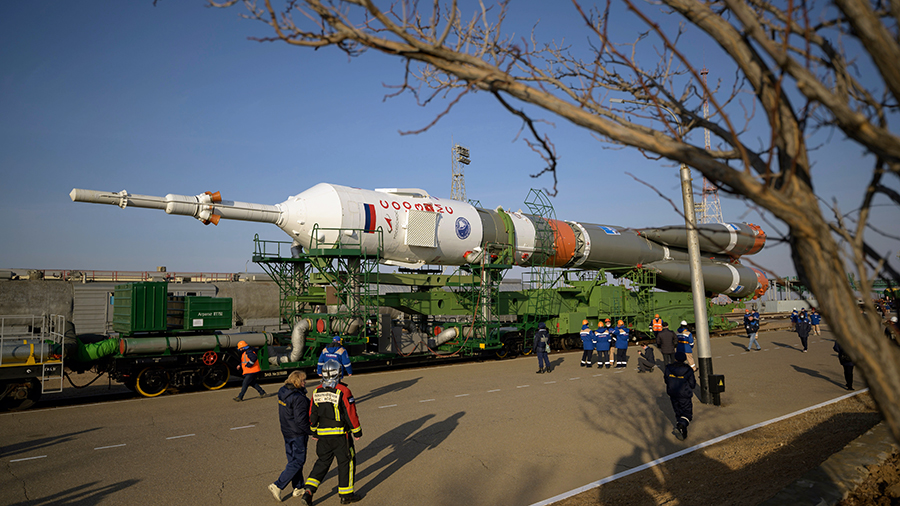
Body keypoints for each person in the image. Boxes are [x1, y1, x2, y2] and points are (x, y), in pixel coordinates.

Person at [301, 360, 363, 505]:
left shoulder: (316, 391)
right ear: (339, 373)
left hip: (323, 436)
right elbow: (350, 413)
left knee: (322, 463)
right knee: (346, 462)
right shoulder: (343, 390)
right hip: (340, 436)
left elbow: (312, 414)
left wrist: (314, 433)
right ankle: (346, 495)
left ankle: (309, 490)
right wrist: (357, 432)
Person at [269, 371, 314, 502]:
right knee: (298, 461)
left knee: (293, 460)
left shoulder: (283, 391)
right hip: (297, 433)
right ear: (296, 382)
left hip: (286, 431)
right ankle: (278, 485)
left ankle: (298, 487)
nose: (305, 382)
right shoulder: (298, 398)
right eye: (303, 381)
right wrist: (311, 431)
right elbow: (301, 420)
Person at [664, 351, 696, 441]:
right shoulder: (688, 370)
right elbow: (692, 384)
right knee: (687, 415)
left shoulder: (668, 368)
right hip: (684, 394)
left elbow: (666, 379)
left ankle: (683, 433)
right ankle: (680, 425)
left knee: (678, 413)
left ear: (675, 358)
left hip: (673, 393)